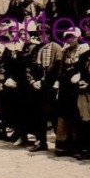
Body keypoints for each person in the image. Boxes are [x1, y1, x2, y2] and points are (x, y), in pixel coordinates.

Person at [26, 23, 62, 152]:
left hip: (51, 86)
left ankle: (60, 143)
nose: (40, 36)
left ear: (48, 34)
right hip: (38, 86)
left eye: (43, 34)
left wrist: (56, 82)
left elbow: (59, 67)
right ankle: (41, 142)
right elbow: (29, 67)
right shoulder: (35, 49)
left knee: (54, 115)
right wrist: (32, 81)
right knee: (39, 115)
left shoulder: (56, 47)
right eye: (38, 34)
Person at [54, 27, 88, 156]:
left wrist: (80, 76)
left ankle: (76, 146)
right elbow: (61, 69)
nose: (70, 39)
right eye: (68, 37)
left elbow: (85, 66)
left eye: (72, 36)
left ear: (78, 37)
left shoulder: (83, 49)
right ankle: (63, 145)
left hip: (76, 86)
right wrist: (59, 83)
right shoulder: (65, 51)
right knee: (64, 115)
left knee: (76, 115)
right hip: (65, 86)